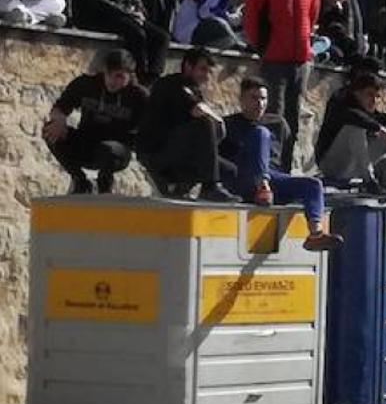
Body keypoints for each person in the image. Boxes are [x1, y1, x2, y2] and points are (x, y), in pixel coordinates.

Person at [220, 78, 342, 252]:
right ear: (242, 100)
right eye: (253, 98)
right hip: (245, 179)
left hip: (274, 179)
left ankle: (316, 234)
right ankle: (262, 186)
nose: (259, 103)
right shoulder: (229, 125)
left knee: (313, 185)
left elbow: (284, 160)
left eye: (263, 99)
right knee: (260, 134)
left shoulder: (278, 123)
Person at [241, 0, 319, 171]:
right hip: (274, 58)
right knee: (274, 115)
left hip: (300, 61)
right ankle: (268, 169)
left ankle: (283, 169)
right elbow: (252, 17)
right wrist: (262, 47)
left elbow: (312, 16)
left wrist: (306, 47)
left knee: (293, 120)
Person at [134, 47, 236, 200]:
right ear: (188, 66)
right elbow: (199, 112)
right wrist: (219, 121)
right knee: (205, 124)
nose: (206, 76)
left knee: (228, 169)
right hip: (156, 152)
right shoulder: (172, 84)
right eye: (202, 69)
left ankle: (180, 185)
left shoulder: (193, 89)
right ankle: (209, 186)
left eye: (209, 72)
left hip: (177, 149)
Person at [44, 49, 146, 194]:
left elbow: (152, 127)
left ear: (130, 75)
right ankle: (79, 180)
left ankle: (105, 183)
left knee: (110, 149)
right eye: (108, 74)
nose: (112, 81)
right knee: (50, 131)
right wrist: (59, 122)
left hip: (116, 151)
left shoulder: (138, 96)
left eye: (119, 76)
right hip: (86, 143)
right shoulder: (87, 84)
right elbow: (59, 109)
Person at [313, 73, 386, 192]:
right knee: (355, 128)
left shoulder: (371, 112)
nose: (374, 100)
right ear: (357, 93)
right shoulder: (341, 104)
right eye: (369, 95)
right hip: (332, 165)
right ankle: (369, 181)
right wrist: (381, 130)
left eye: (377, 97)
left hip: (354, 168)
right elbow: (355, 117)